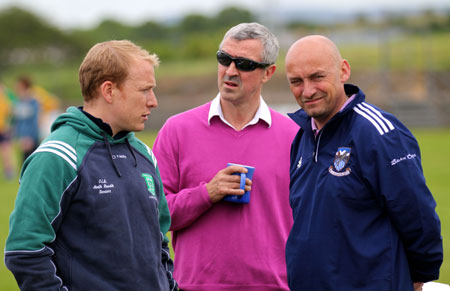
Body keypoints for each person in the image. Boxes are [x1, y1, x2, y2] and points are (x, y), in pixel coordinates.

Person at [5, 40, 178, 291]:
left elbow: (160, 241)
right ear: (108, 91)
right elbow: (25, 251)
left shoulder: (144, 155)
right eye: (144, 90)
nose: (153, 101)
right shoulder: (57, 157)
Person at [285, 35, 443, 291]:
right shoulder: (302, 136)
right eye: (296, 82)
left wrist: (420, 274)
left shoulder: (377, 132)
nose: (308, 90)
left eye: (317, 77)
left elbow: (418, 215)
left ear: (343, 70)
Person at [152, 22, 299, 291]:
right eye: (224, 59)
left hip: (275, 286)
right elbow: (154, 215)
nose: (230, 71)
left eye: (244, 64)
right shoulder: (177, 130)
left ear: (268, 72)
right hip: (195, 286)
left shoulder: (294, 136)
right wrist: (207, 193)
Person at [12, 76, 41, 163]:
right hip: (22, 138)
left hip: (31, 138)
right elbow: (18, 121)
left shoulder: (33, 102)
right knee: (24, 163)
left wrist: (31, 138)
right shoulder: (18, 102)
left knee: (34, 163)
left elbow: (35, 121)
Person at [0, 82, 16, 179]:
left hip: (4, 129)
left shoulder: (7, 99)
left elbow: (12, 114)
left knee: (6, 151)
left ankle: (9, 171)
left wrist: (9, 126)